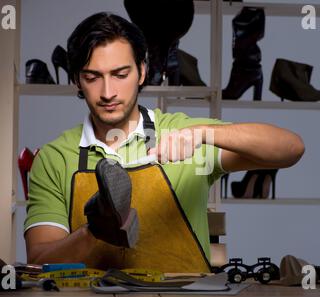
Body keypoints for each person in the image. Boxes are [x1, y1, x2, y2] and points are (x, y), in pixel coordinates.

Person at [24, 12, 305, 272]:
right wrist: (93, 231)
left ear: (142, 72)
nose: (108, 92)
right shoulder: (54, 158)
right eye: (93, 77)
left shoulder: (183, 134)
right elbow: (38, 262)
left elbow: (291, 149)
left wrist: (203, 133)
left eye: (121, 75)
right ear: (76, 79)